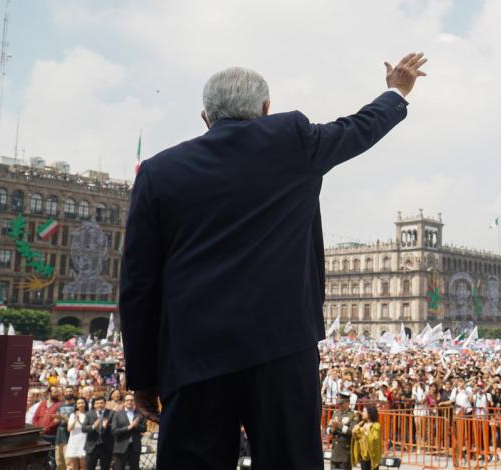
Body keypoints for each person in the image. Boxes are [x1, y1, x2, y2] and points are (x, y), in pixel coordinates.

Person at [120, 52, 427, 470]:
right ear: (266, 110)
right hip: (282, 349)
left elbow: (138, 284)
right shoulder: (293, 139)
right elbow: (359, 128)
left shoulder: (158, 172)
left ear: (205, 116)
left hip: (194, 355)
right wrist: (396, 90)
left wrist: (142, 376)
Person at [110, 393, 146, 470]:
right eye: (127, 400)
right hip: (120, 447)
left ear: (134, 402)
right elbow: (114, 431)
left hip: (135, 447)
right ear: (124, 402)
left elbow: (144, 429)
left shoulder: (140, 414)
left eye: (131, 400)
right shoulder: (117, 414)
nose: (129, 402)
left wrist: (136, 426)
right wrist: (129, 427)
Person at [82, 397, 114, 470]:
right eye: (97, 403)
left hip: (106, 446)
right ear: (94, 405)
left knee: (105, 467)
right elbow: (84, 429)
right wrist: (93, 426)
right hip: (92, 446)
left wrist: (108, 425)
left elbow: (115, 427)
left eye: (101, 403)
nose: (99, 405)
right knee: (89, 467)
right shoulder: (88, 414)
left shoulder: (111, 413)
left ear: (105, 404)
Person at [329, 392, 358, 469]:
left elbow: (352, 431)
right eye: (339, 404)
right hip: (335, 451)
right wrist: (332, 429)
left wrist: (339, 426)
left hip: (345, 452)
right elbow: (329, 429)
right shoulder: (336, 413)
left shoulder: (353, 415)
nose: (339, 406)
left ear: (348, 403)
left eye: (341, 403)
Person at [351, 405, 382, 470]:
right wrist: (356, 430)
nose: (363, 413)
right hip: (363, 455)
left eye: (364, 411)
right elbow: (357, 436)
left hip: (372, 456)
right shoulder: (362, 424)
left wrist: (366, 432)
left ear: (370, 413)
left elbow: (374, 440)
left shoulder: (376, 426)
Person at [66, 398, 89, 470]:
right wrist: (75, 420)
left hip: (84, 441)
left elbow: (87, 429)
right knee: (74, 466)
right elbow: (69, 429)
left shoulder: (89, 414)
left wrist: (79, 421)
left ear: (85, 404)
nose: (80, 405)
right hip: (73, 441)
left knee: (83, 466)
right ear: (76, 405)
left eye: (82, 403)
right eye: (78, 403)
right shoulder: (72, 415)